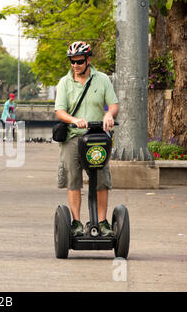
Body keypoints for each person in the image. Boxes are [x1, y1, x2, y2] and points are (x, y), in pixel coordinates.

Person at [54, 41, 119, 237]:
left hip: (97, 136)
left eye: (79, 62)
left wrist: (109, 115)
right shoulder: (64, 83)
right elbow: (59, 111)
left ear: (88, 60)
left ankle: (102, 222)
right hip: (74, 137)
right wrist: (74, 120)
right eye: (72, 62)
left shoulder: (103, 80)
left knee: (101, 178)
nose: (75, 66)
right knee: (74, 178)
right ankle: (75, 223)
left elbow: (113, 104)